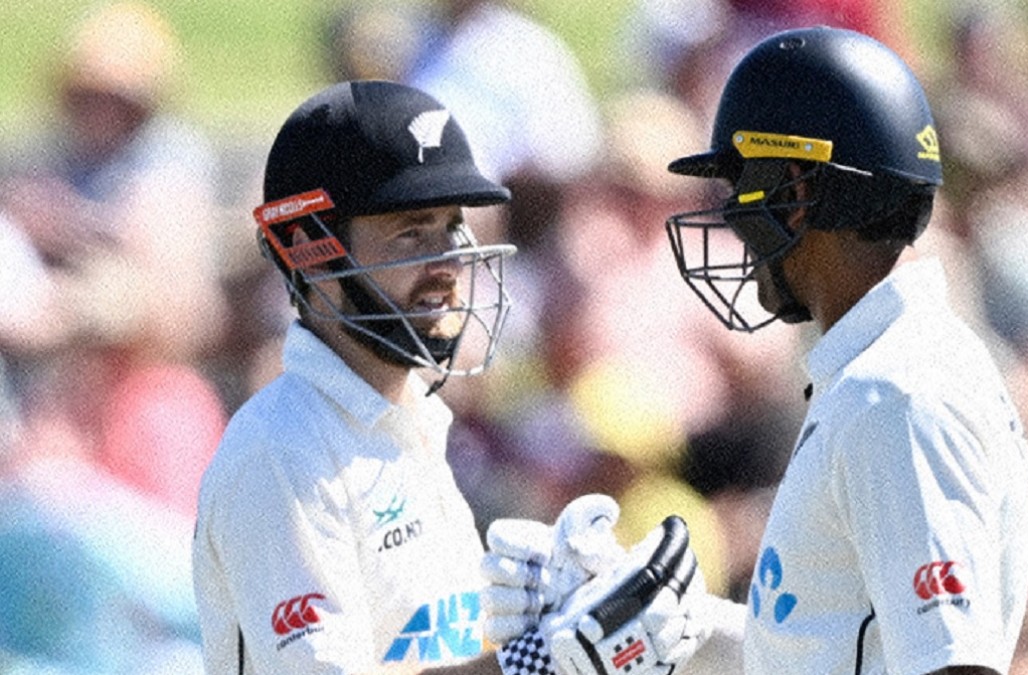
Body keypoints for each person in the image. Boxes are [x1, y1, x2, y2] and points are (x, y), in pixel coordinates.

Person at [191, 80, 711, 675]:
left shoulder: (413, 419)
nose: (447, 264)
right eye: (411, 232)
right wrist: (536, 664)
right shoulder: (281, 451)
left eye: (451, 227)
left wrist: (552, 620)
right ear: (310, 249)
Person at [658, 27, 1028, 674]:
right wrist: (679, 626)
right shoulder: (888, 370)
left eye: (740, 187)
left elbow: (953, 665)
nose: (732, 220)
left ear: (796, 191)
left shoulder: (894, 393)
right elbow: (836, 641)